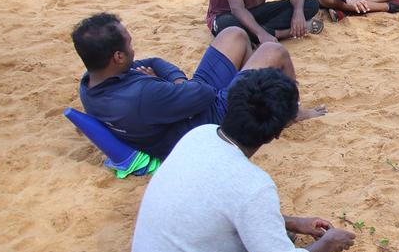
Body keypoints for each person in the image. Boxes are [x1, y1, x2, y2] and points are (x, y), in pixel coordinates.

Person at [129, 68, 355, 252]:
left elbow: (221, 204)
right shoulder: (253, 185)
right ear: (277, 133)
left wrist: (294, 222)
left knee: (278, 239)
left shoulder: (201, 135)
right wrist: (328, 243)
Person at [74, 13, 324, 158]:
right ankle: (291, 111)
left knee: (233, 34)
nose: (133, 48)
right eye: (128, 44)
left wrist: (174, 85)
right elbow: (202, 93)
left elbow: (154, 62)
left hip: (186, 104)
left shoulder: (90, 84)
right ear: (118, 57)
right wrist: (174, 82)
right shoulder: (142, 94)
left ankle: (254, 96)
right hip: (207, 121)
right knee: (274, 50)